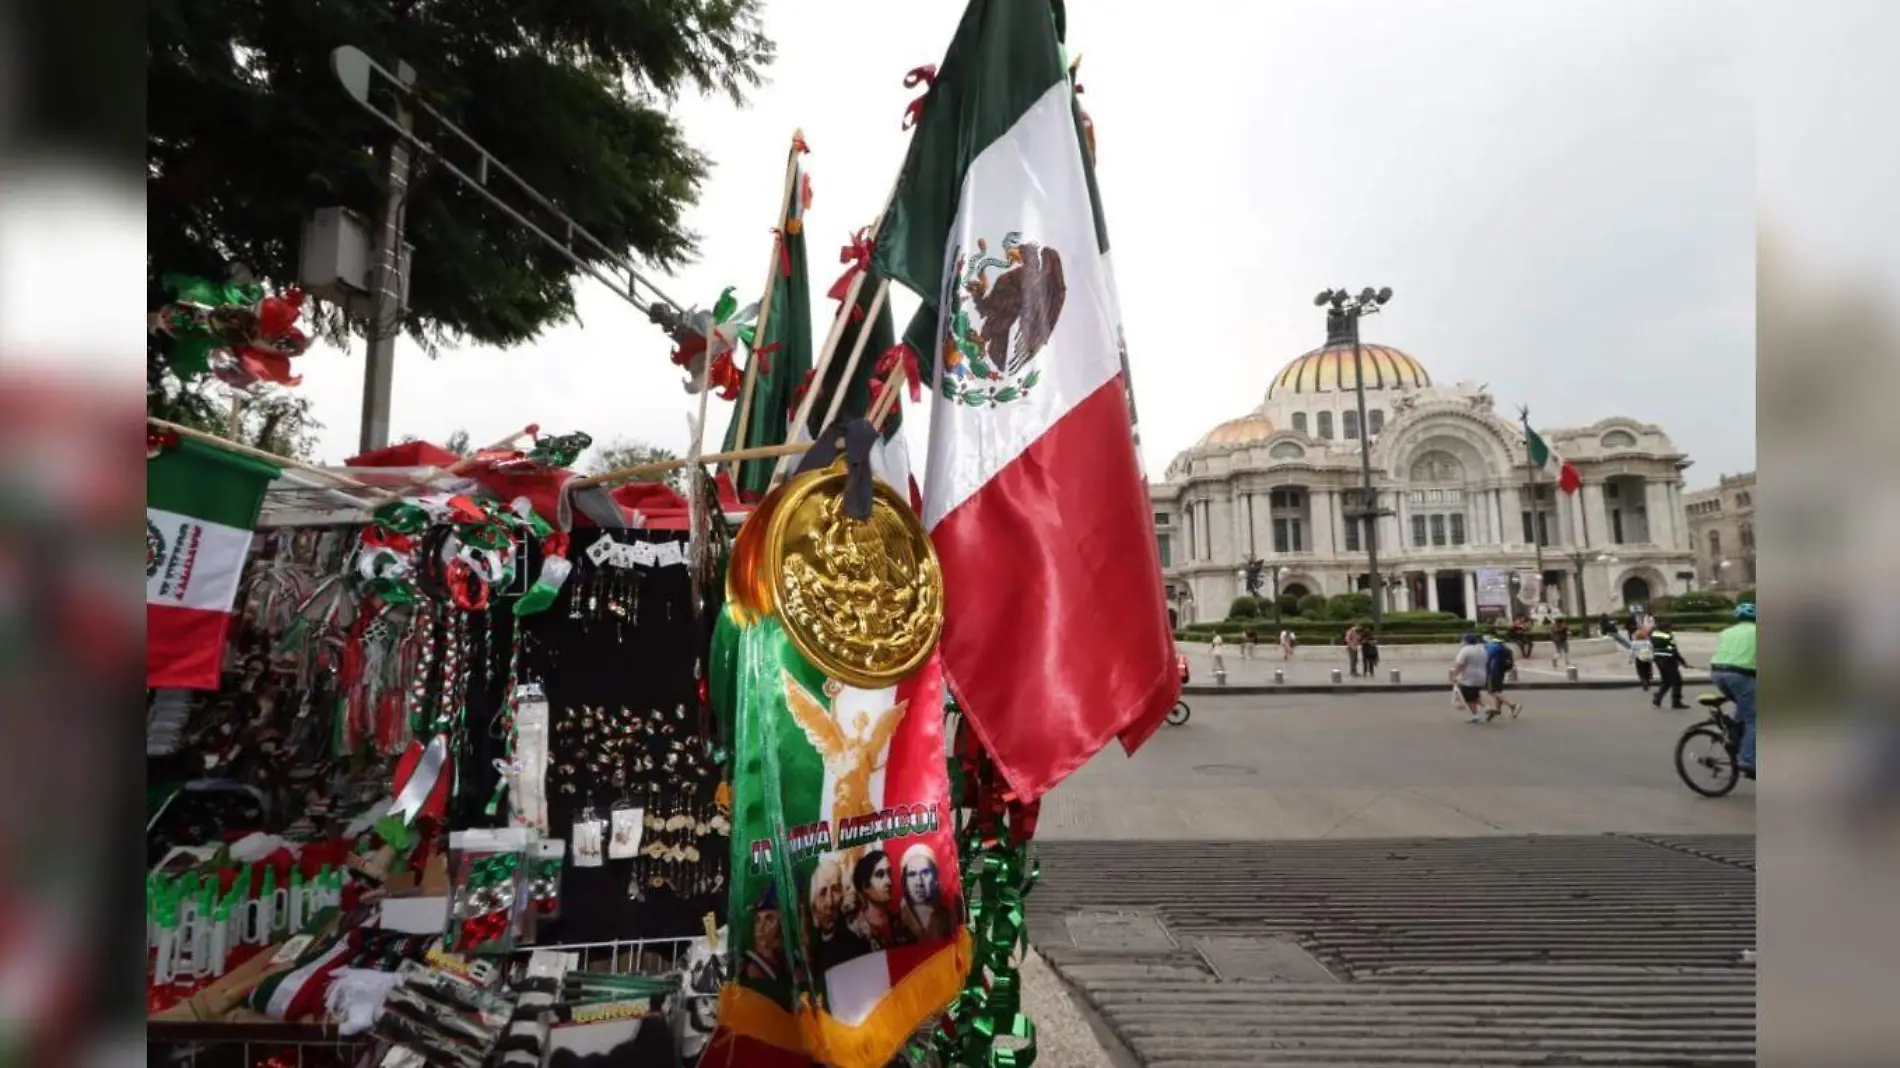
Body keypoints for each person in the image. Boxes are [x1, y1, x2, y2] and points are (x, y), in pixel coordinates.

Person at [1709, 602, 1757, 777]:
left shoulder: (1727, 632)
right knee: (1755, 718)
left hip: (1717, 673)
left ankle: (1735, 734)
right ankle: (1747, 759)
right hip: (1740, 675)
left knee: (1745, 705)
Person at [807, 855, 871, 974]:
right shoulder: (812, 956)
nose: (830, 902)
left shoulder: (858, 947)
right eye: (822, 893)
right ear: (813, 905)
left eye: (835, 890)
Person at [898, 844, 954, 944]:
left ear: (935, 877)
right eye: (912, 874)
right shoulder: (894, 923)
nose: (919, 882)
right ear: (904, 882)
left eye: (925, 873)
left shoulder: (949, 917)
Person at [848, 850, 898, 949]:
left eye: (889, 873)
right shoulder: (854, 931)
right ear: (865, 886)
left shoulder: (898, 922)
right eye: (880, 875)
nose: (889, 881)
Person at [742, 884, 786, 982]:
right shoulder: (753, 970)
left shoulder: (784, 962)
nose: (760, 927)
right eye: (757, 920)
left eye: (769, 919)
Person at [1648, 616, 1691, 710]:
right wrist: (1683, 662)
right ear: (1666, 628)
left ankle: (1658, 699)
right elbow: (1674, 650)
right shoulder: (1668, 636)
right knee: (1677, 681)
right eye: (1670, 627)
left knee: (1666, 681)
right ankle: (1676, 702)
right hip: (1668, 660)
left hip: (1658, 659)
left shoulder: (1653, 634)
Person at [1449, 633, 1491, 724]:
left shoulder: (1465, 650)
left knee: (1468, 696)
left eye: (1462, 640)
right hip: (1481, 676)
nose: (1461, 642)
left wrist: (1454, 675)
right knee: (1474, 694)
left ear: (1466, 641)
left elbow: (1459, 664)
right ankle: (1485, 708)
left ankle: (1477, 714)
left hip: (1469, 677)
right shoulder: (1482, 649)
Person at [1483, 632, 1523, 719]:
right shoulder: (1501, 645)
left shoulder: (1489, 646)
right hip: (1501, 671)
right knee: (1498, 691)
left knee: (1492, 691)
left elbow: (1485, 658)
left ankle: (1513, 705)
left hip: (1492, 672)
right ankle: (1498, 711)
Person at [1629, 621, 1655, 691]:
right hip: (1647, 658)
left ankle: (1643, 681)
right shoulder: (1648, 642)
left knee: (1640, 671)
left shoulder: (1634, 643)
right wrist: (1653, 657)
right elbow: (1652, 649)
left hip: (1639, 658)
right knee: (1647, 670)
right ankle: (1648, 680)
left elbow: (1632, 652)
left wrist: (1630, 660)